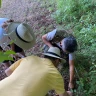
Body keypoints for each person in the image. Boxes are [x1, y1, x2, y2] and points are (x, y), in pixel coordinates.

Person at [0, 47, 72, 96]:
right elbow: (62, 95)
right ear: (57, 60)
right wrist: (69, 93)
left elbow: (8, 71)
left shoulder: (30, 58)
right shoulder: (54, 73)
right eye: (59, 62)